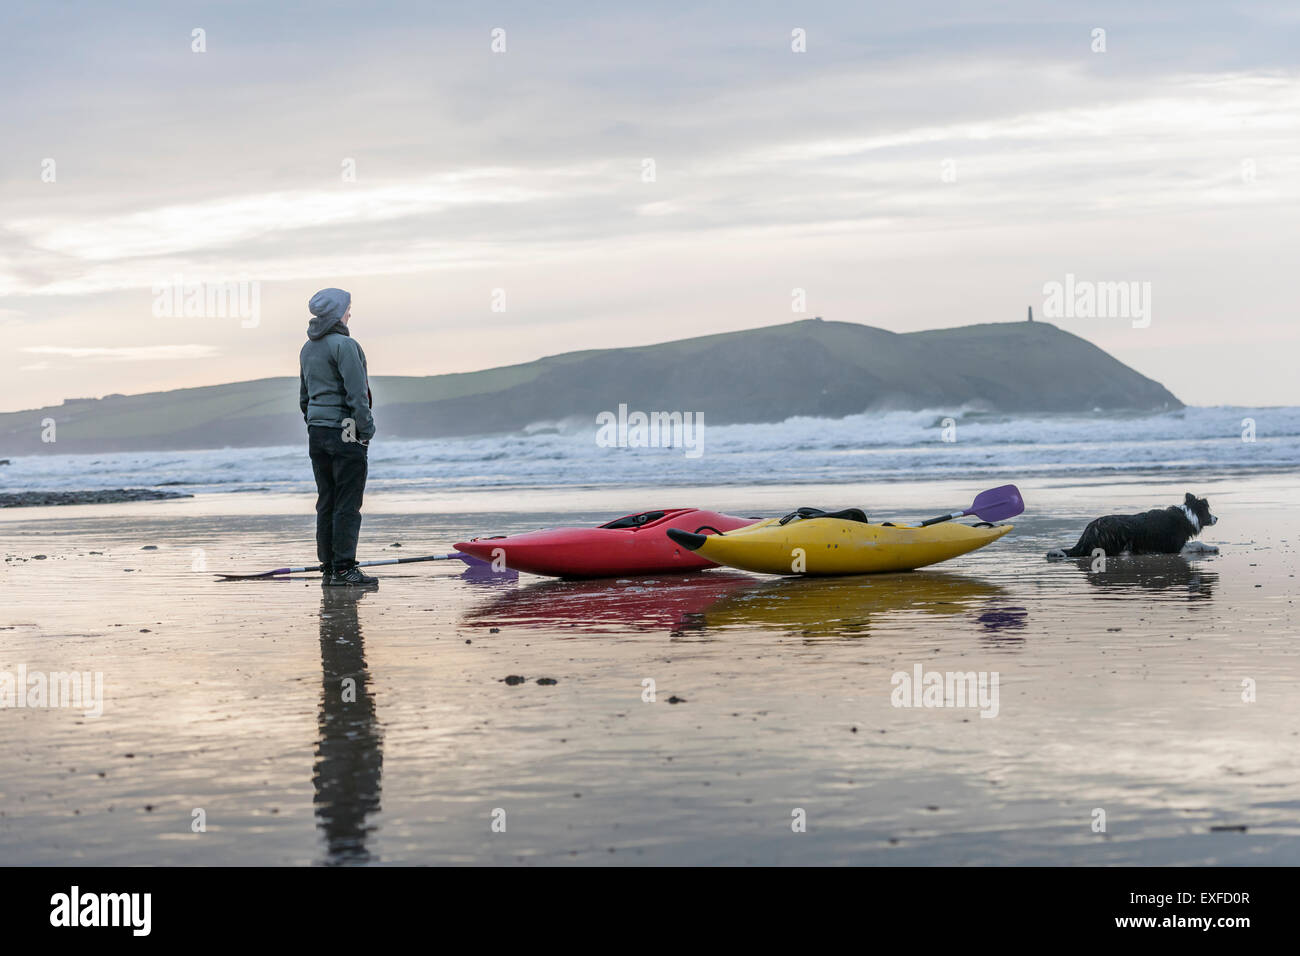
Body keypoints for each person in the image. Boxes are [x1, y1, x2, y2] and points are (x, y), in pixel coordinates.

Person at [299, 288, 378, 586]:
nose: (350, 313)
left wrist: (315, 423)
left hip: (317, 432)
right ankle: (345, 569)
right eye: (348, 308)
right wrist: (366, 429)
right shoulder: (345, 345)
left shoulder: (307, 349)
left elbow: (304, 399)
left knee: (327, 500)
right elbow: (357, 394)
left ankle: (330, 569)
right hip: (345, 431)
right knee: (347, 501)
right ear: (338, 313)